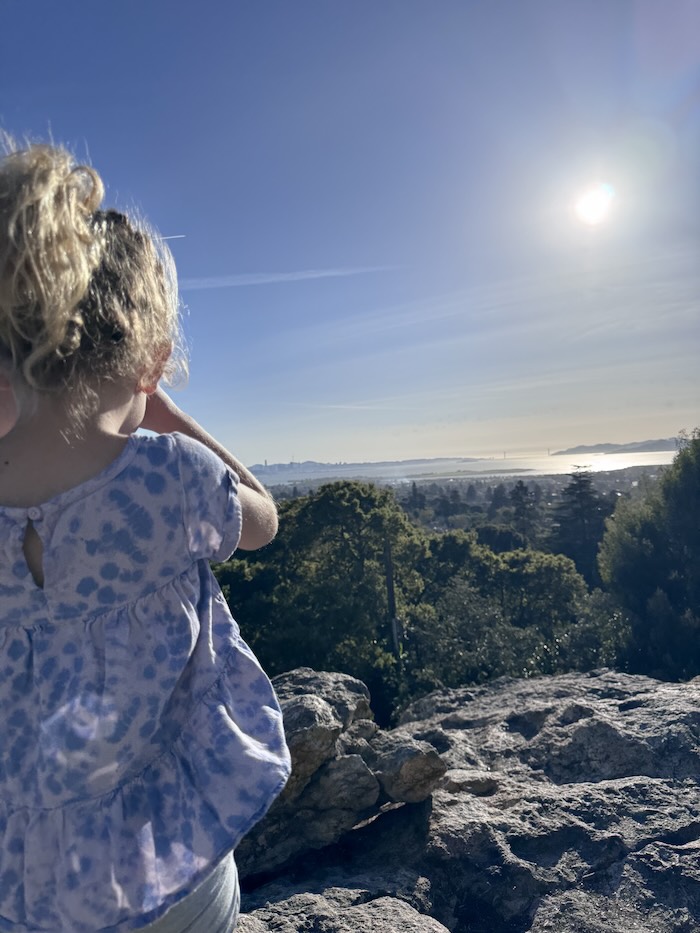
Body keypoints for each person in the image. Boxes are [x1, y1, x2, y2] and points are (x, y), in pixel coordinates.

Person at [0, 140, 291, 932]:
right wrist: (159, 408)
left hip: (23, 881)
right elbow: (262, 519)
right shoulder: (171, 476)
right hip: (165, 861)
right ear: (149, 360)